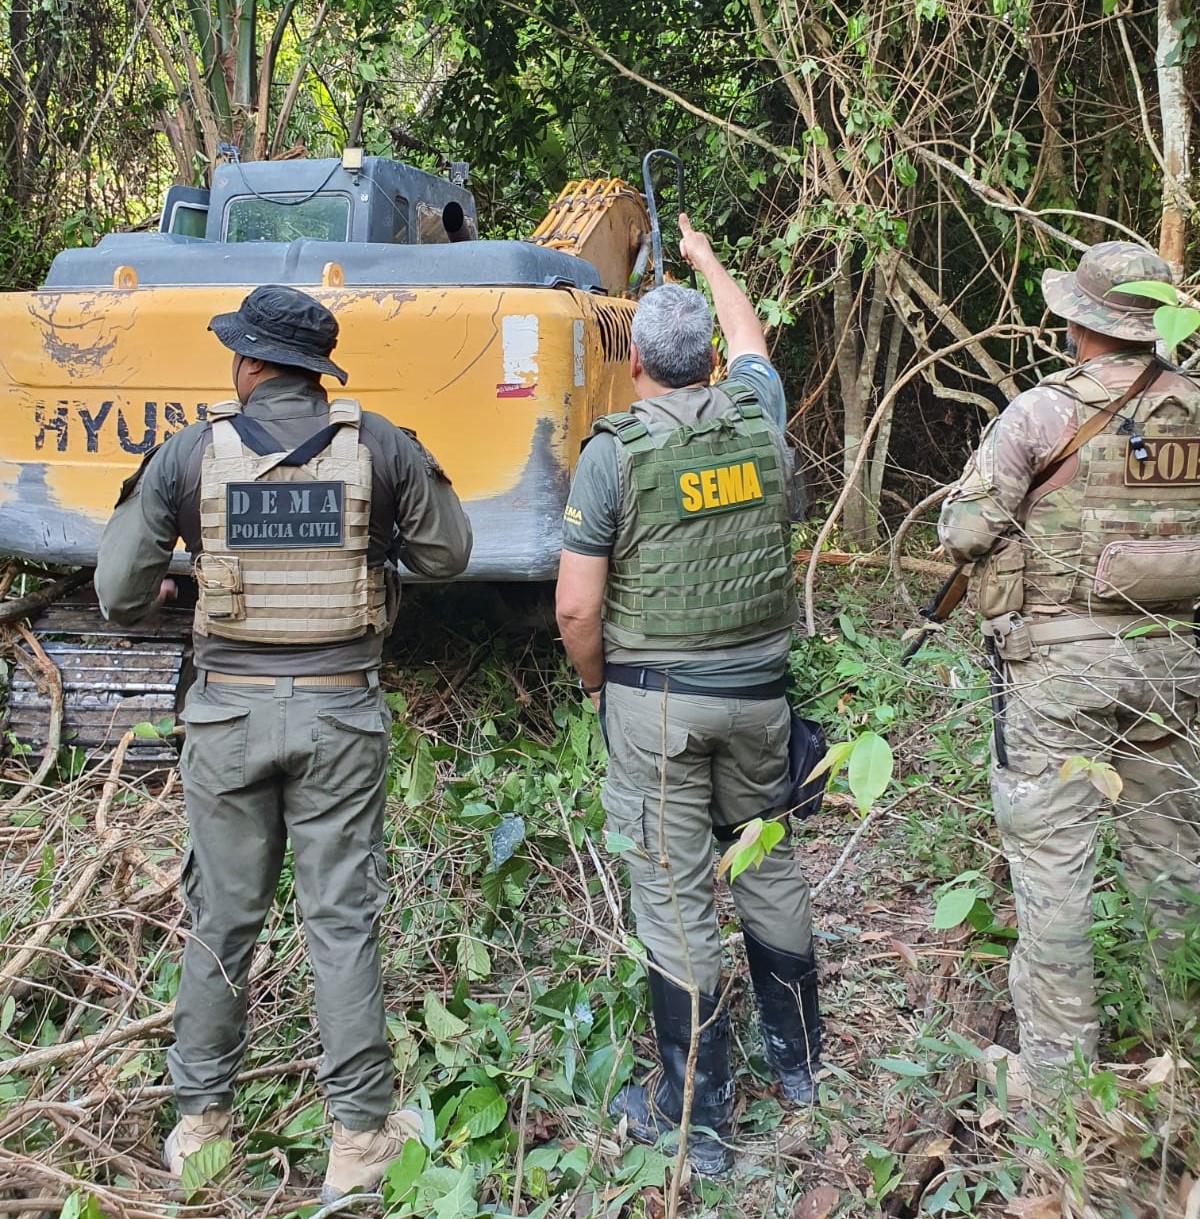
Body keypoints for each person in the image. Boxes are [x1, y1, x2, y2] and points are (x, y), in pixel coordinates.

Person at [94, 285, 472, 1202]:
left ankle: (203, 1129)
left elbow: (114, 591)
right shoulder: (378, 445)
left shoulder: (190, 453)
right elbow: (449, 554)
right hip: (341, 715)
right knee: (339, 922)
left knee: (223, 917)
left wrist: (181, 577)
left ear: (248, 365)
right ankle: (357, 1137)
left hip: (227, 720)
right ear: (315, 369)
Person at [555, 215, 819, 1176]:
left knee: (673, 895)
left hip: (658, 704)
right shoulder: (756, 412)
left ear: (636, 370)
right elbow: (753, 342)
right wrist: (709, 260)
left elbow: (577, 608)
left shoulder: (615, 452)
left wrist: (599, 690)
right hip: (761, 697)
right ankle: (798, 1064)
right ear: (706, 358)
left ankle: (695, 1114)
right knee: (767, 862)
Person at [938, 242, 1200, 1091]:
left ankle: (1055, 1080)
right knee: (1174, 862)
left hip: (1055, 673)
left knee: (1055, 875)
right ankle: (1184, 1044)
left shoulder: (1041, 415)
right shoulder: (1196, 409)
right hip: (1171, 667)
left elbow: (966, 532)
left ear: (1082, 323)